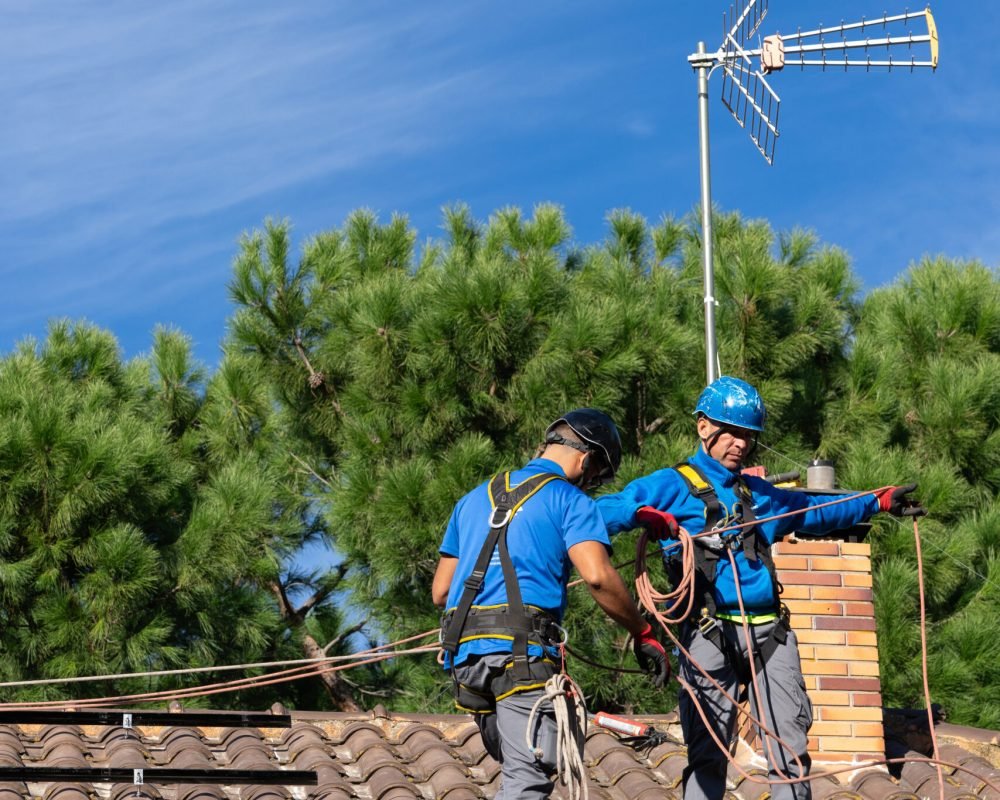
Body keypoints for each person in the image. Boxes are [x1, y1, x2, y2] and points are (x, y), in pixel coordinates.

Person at [596, 376, 925, 800]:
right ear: (703, 427)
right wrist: (645, 514)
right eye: (732, 433)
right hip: (708, 634)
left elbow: (817, 509)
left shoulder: (761, 496)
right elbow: (602, 512)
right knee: (707, 754)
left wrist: (878, 501)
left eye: (748, 436)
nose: (740, 444)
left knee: (789, 753)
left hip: (770, 636)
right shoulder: (671, 486)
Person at [432, 408, 669, 800]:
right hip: (521, 657)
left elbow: (441, 591)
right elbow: (597, 576)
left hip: (467, 662)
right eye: (594, 477)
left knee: (519, 773)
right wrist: (641, 631)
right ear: (587, 458)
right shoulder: (570, 501)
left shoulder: (473, 499)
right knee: (528, 784)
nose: (590, 484)